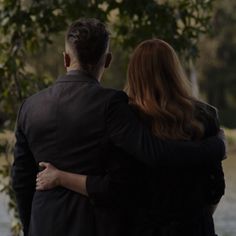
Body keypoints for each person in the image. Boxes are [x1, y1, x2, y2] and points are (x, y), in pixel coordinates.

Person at [12, 18, 225, 236]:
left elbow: (21, 181)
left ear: (66, 58)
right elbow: (140, 168)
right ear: (107, 60)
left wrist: (31, 226)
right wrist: (216, 147)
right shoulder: (113, 106)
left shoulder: (29, 107)